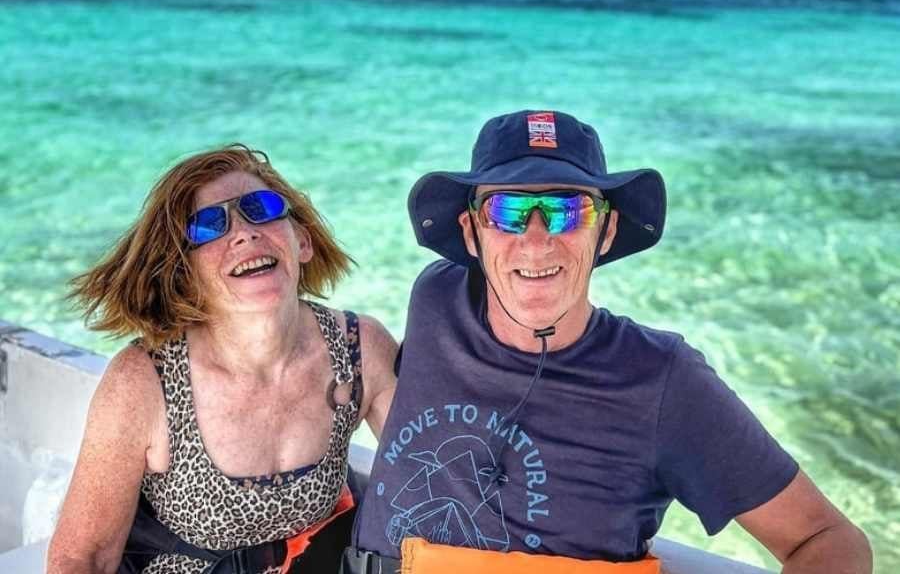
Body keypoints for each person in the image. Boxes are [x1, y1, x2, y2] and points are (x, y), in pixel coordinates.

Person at [342, 111, 872, 573]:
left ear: (608, 232)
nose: (535, 239)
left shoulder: (663, 378)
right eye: (506, 210)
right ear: (471, 232)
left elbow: (828, 540)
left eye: (568, 210)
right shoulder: (436, 296)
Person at [47, 145, 398, 574]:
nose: (244, 232)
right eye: (208, 226)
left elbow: (437, 478)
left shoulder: (359, 349)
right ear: (184, 273)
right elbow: (84, 559)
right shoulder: (144, 380)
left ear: (301, 241)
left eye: (261, 208)